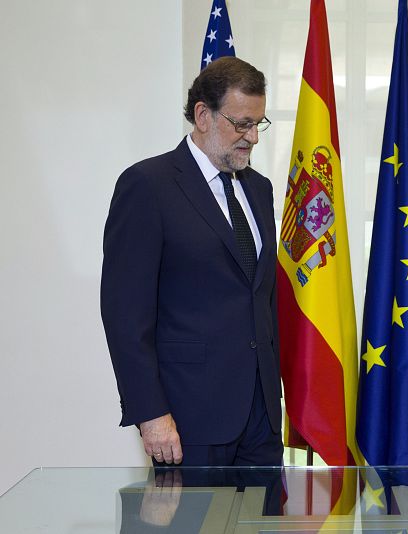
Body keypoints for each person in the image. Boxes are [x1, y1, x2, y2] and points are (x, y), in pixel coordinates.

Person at [101, 56, 282, 466]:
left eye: (259, 123)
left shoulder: (260, 189)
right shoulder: (147, 186)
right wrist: (150, 414)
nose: (253, 137)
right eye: (242, 124)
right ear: (203, 114)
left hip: (262, 421)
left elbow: (261, 297)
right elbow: (125, 316)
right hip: (188, 420)